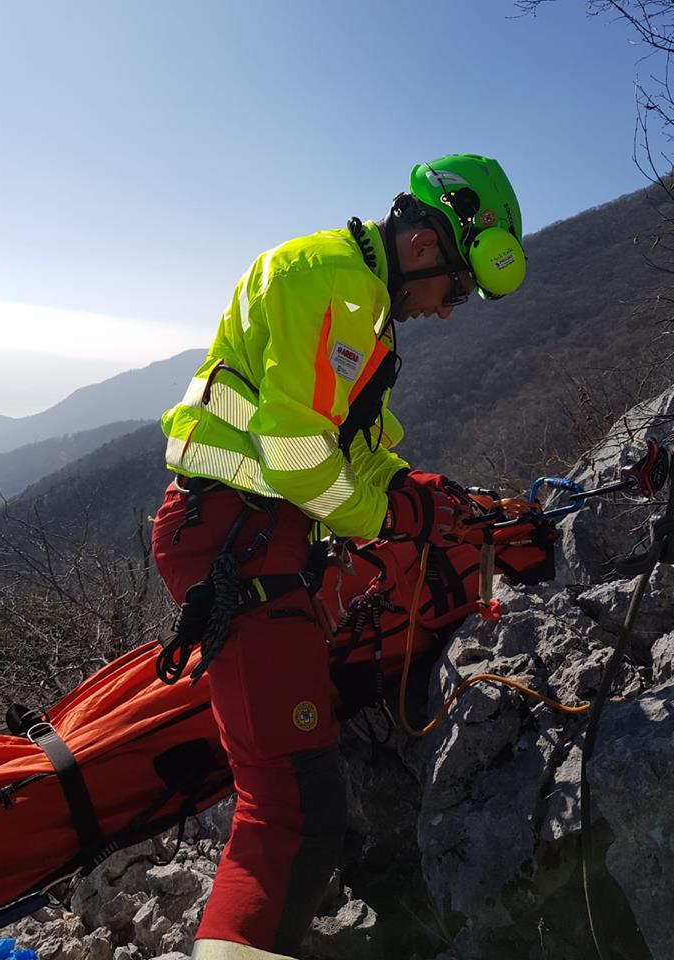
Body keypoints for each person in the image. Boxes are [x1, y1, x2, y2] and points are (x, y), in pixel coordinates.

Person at [151, 153, 526, 960]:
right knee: (290, 812)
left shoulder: (365, 309)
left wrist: (419, 490)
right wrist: (389, 514)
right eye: (457, 289)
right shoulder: (326, 281)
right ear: (425, 245)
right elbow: (293, 459)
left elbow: (350, 453)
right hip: (231, 540)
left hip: (252, 541)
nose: (452, 311)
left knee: (302, 806)